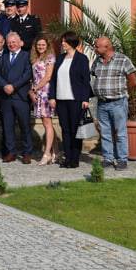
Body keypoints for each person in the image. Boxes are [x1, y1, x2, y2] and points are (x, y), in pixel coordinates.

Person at [91, 36, 136, 170]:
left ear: (107, 47)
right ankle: (108, 159)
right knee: (105, 132)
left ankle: (122, 159)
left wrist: (123, 92)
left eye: (97, 46)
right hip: (102, 103)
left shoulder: (123, 59)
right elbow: (94, 75)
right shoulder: (97, 61)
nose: (95, 48)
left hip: (118, 102)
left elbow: (133, 81)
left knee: (120, 132)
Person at [49, 31, 92, 169]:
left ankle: (75, 158)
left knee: (75, 130)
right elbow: (54, 80)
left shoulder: (82, 59)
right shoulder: (60, 58)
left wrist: (85, 98)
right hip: (61, 100)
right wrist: (52, 96)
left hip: (76, 100)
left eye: (64, 41)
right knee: (65, 130)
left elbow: (86, 80)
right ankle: (67, 157)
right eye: (62, 41)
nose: (62, 43)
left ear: (72, 43)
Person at [0, 32, 34, 164]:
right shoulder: (3, 56)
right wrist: (5, 85)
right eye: (9, 42)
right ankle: (11, 152)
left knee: (24, 126)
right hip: (6, 97)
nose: (11, 44)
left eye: (14, 42)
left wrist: (14, 86)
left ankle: (27, 153)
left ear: (20, 42)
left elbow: (27, 74)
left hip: (20, 96)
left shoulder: (26, 56)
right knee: (7, 126)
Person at [29, 36, 57, 165]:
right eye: (38, 45)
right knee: (47, 123)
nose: (40, 47)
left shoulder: (50, 57)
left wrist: (35, 88)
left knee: (47, 123)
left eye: (43, 45)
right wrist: (33, 90)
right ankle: (54, 151)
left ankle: (46, 154)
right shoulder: (35, 58)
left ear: (47, 46)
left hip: (45, 92)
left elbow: (48, 76)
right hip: (37, 92)